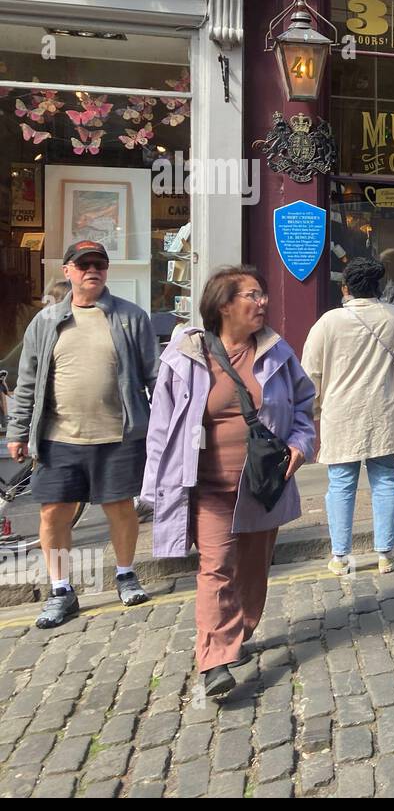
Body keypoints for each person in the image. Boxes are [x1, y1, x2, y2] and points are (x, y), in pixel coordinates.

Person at [142, 266, 316, 698]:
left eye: (262, 295)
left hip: (263, 483)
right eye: (252, 296)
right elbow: (161, 426)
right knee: (214, 567)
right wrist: (153, 487)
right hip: (207, 486)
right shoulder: (184, 355)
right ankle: (215, 659)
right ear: (224, 305)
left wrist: (300, 444)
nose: (263, 303)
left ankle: (240, 630)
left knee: (254, 572)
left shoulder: (277, 351)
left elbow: (304, 404)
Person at [6, 241, 158, 628]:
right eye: (84, 264)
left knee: (120, 508)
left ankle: (125, 573)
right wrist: (18, 430)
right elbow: (27, 381)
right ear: (68, 271)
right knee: (53, 513)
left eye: (100, 264)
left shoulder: (130, 317)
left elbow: (155, 376)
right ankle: (61, 589)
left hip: (118, 435)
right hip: (59, 438)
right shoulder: (45, 321)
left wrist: (166, 426)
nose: (93, 270)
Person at [302, 257, 394, 577]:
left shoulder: (328, 322)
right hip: (386, 407)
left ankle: (340, 556)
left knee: (341, 483)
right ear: (379, 286)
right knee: (385, 480)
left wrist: (314, 408)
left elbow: (310, 372)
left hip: (342, 411)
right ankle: (386, 552)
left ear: (345, 289)